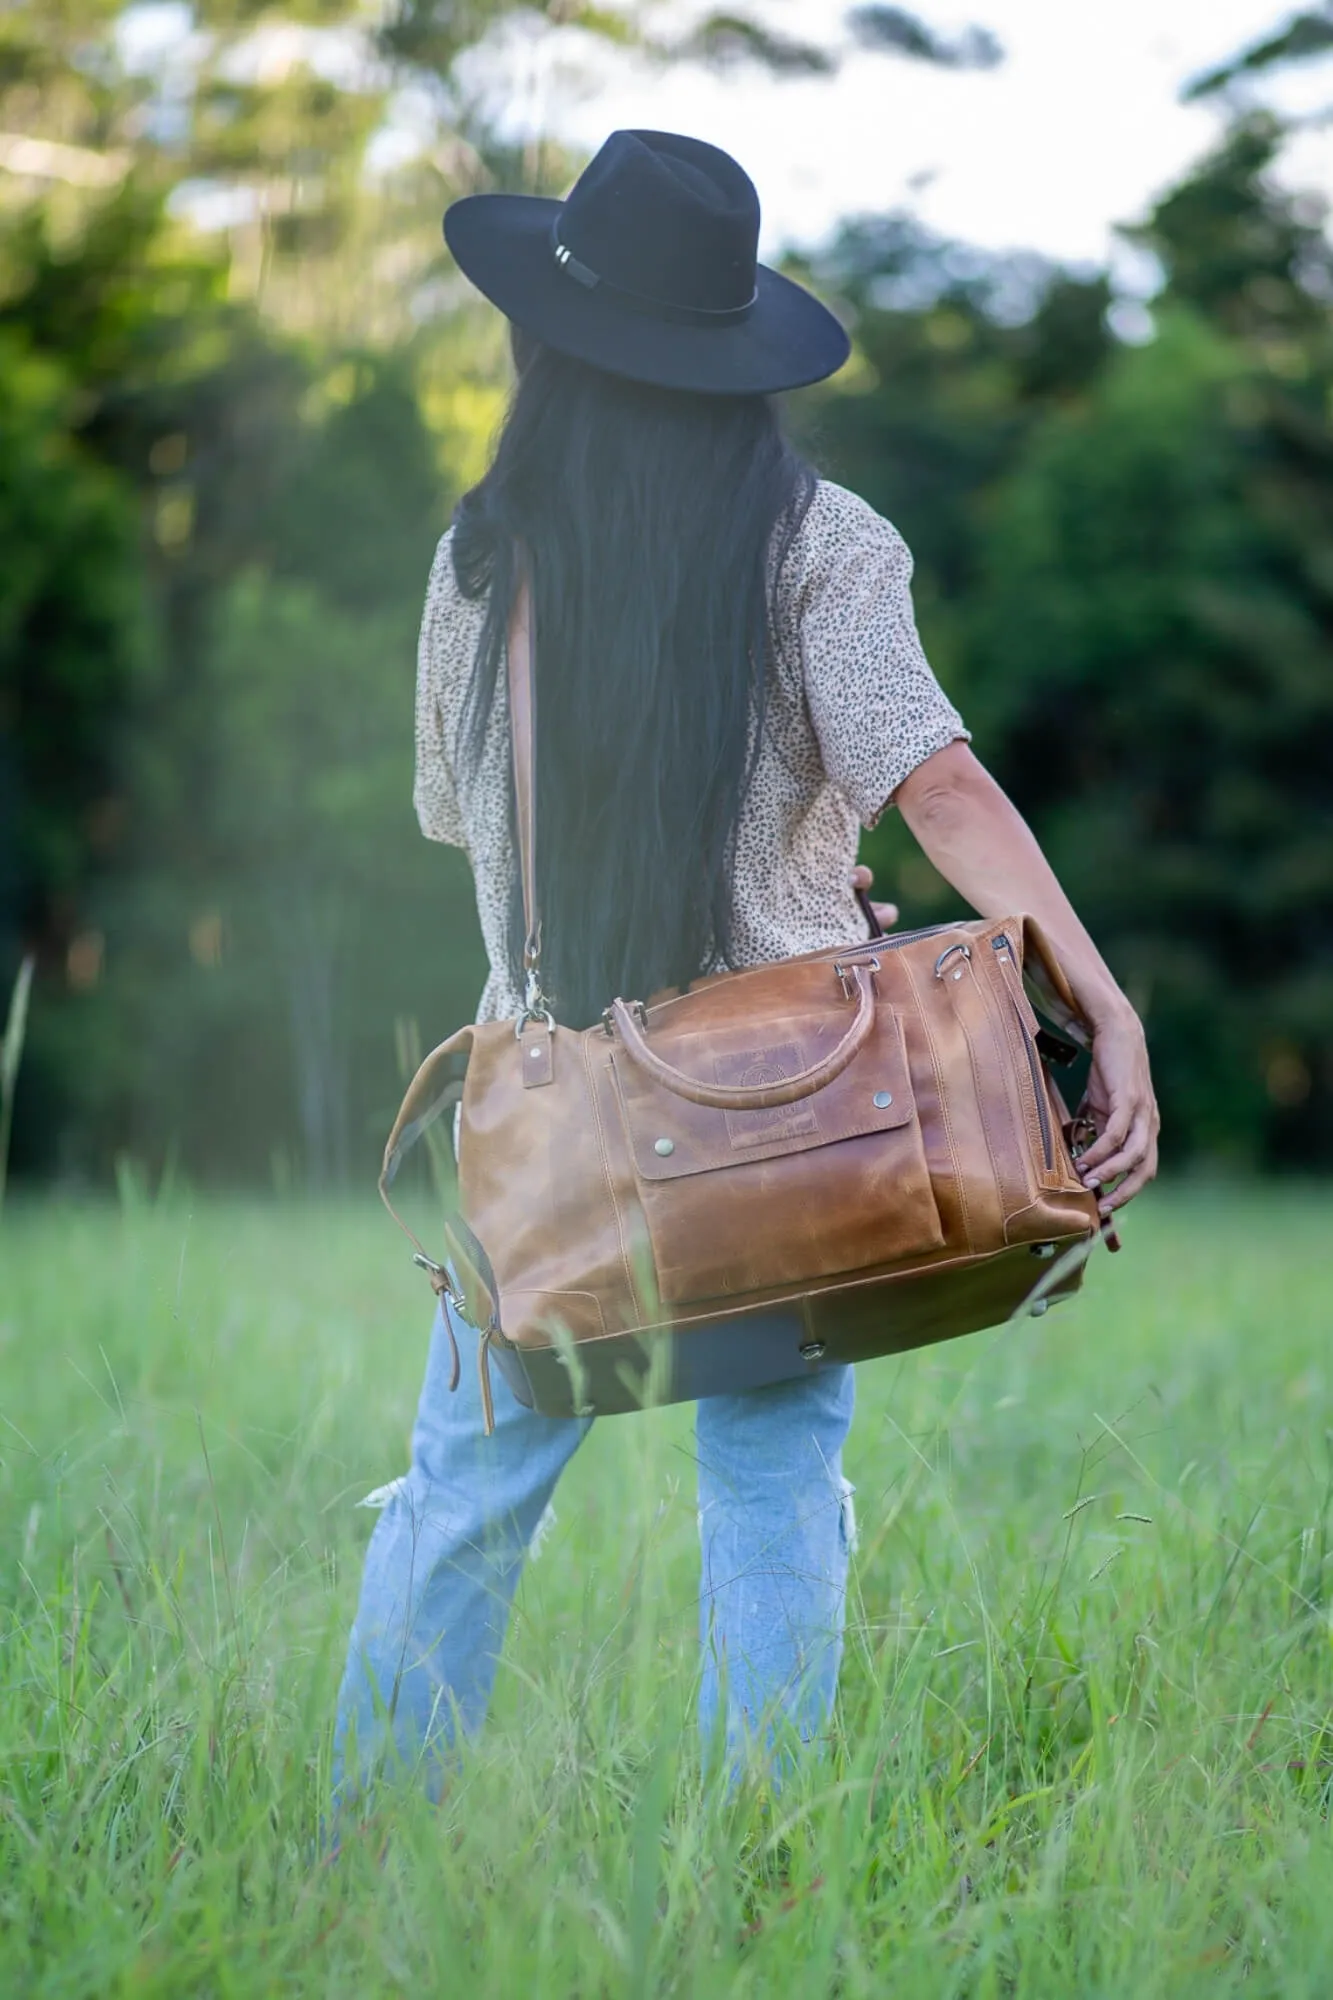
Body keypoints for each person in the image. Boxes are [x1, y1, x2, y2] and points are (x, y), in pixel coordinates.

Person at [333, 130, 1158, 1796]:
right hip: (795, 1118)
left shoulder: (479, 560)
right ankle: (759, 1863)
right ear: (731, 351)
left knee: (461, 1503)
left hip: (552, 1122)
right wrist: (1098, 993)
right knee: (775, 1487)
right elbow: (939, 784)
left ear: (545, 341)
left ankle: (363, 1859)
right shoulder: (821, 539)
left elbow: (451, 812)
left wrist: (728, 844)